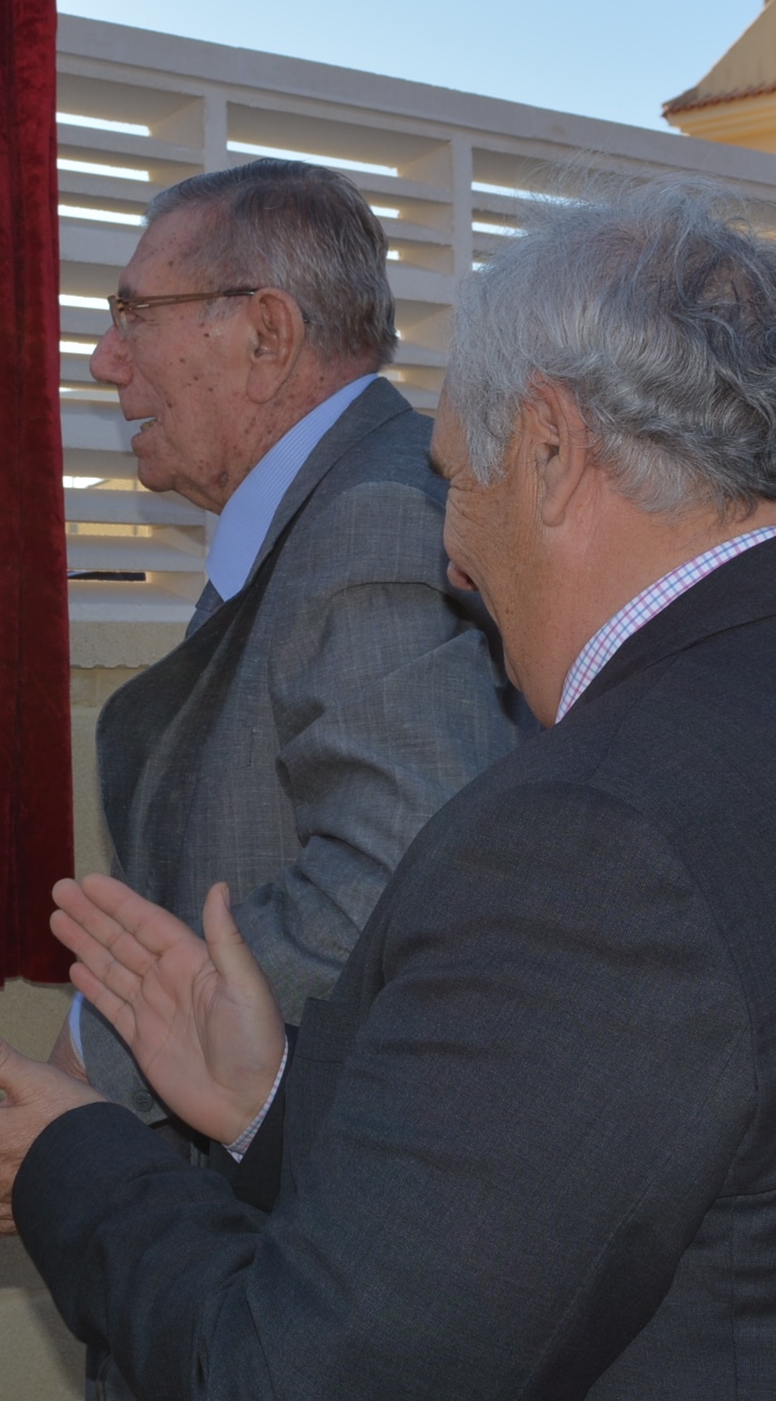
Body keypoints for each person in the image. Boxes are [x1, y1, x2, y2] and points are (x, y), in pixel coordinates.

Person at [0, 179, 776, 1400]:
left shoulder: (592, 838)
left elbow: (298, 1374)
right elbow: (608, 1170)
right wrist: (268, 1103)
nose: (449, 552)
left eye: (460, 477)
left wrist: (71, 1161)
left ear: (551, 447)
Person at [49, 157, 522, 1135]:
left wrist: (110, 1048)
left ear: (267, 334)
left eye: (134, 314)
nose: (104, 359)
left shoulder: (374, 521)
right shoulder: (330, 508)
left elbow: (392, 878)